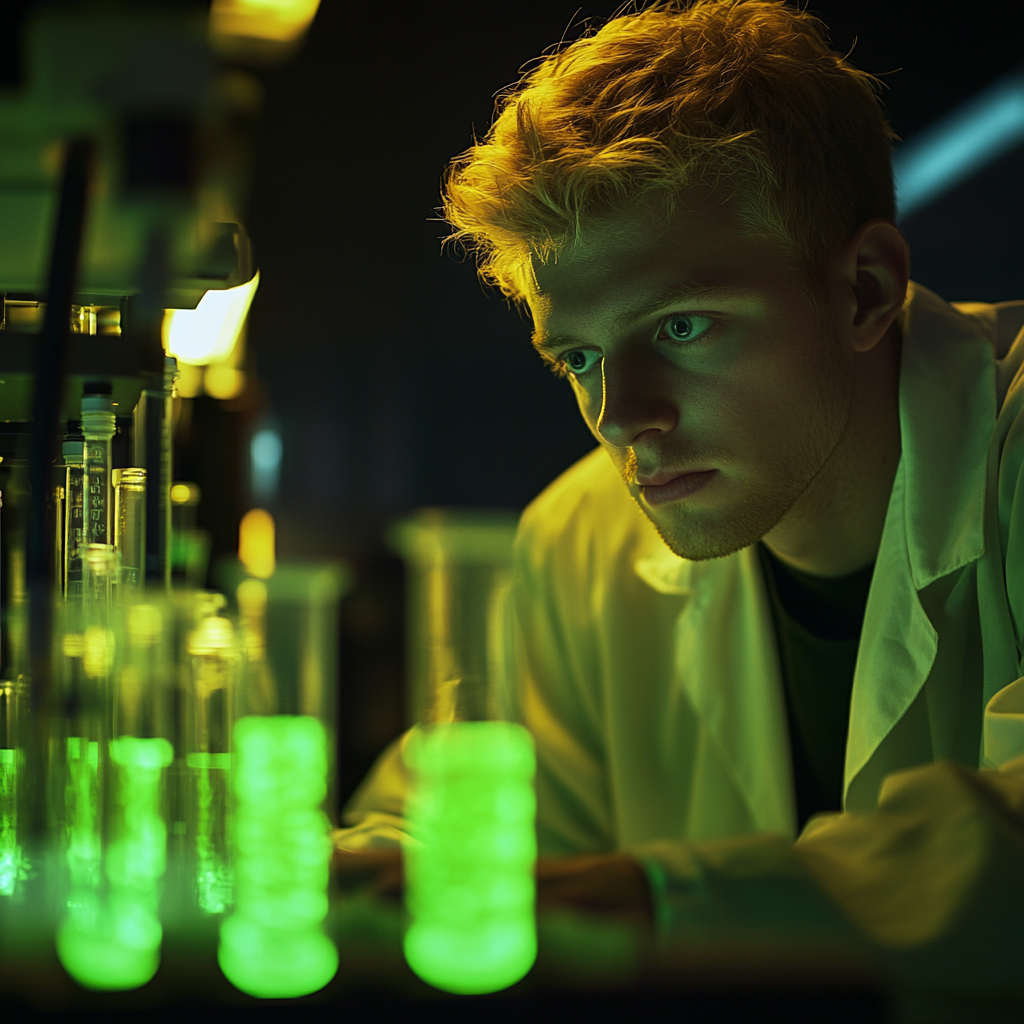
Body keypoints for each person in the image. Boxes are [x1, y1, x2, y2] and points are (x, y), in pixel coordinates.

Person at [334, 0, 1024, 997]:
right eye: (577, 356)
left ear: (865, 288)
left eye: (682, 327)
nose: (623, 417)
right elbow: (436, 837)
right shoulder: (577, 540)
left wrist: (639, 904)